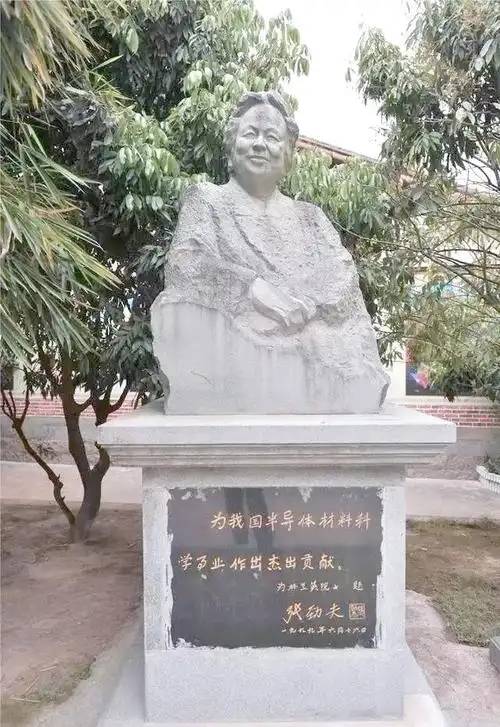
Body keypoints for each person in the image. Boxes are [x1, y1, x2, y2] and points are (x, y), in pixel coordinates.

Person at [152, 91, 389, 413]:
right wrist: (254, 289)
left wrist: (302, 303)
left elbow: (341, 275)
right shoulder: (207, 201)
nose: (260, 144)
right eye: (250, 134)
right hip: (232, 355)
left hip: (319, 351)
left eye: (272, 137)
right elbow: (185, 265)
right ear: (232, 146)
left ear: (288, 154)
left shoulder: (310, 218)